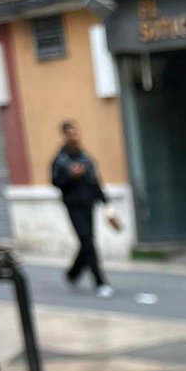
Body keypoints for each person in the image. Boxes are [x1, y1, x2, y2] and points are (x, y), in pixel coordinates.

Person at [51, 120, 117, 298]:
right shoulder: (60, 160)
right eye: (69, 133)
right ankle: (100, 282)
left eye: (75, 133)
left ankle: (72, 273)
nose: (73, 136)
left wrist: (106, 202)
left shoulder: (85, 158)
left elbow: (95, 181)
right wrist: (71, 176)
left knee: (87, 240)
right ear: (64, 135)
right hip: (73, 206)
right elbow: (56, 182)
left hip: (89, 204)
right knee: (87, 240)